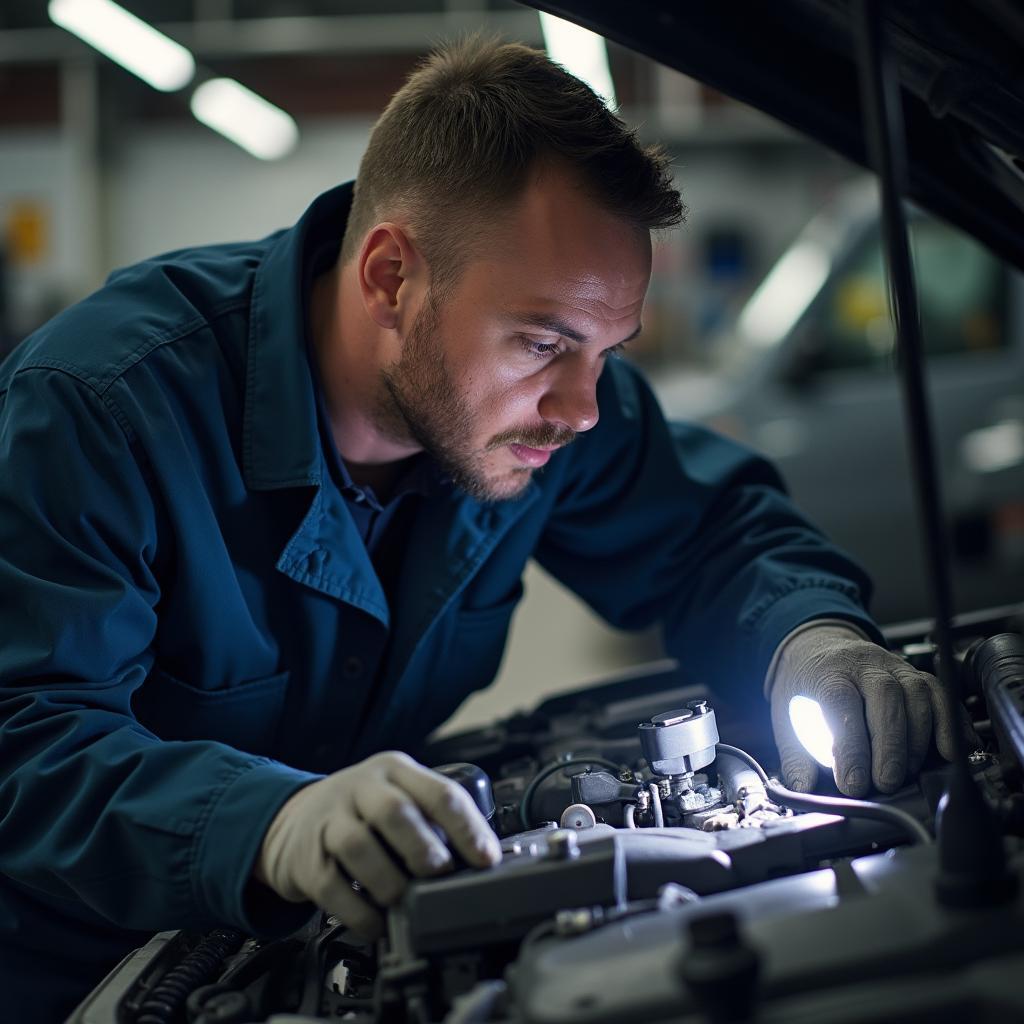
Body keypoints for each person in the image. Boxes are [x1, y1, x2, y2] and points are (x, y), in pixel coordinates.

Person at [0, 36, 960, 1021]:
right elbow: (25, 740)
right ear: (389, 278)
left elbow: (714, 535)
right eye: (543, 342)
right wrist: (270, 823)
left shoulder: (546, 406)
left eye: (606, 349)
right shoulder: (102, 408)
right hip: (72, 971)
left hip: (324, 943)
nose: (585, 408)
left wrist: (810, 637)